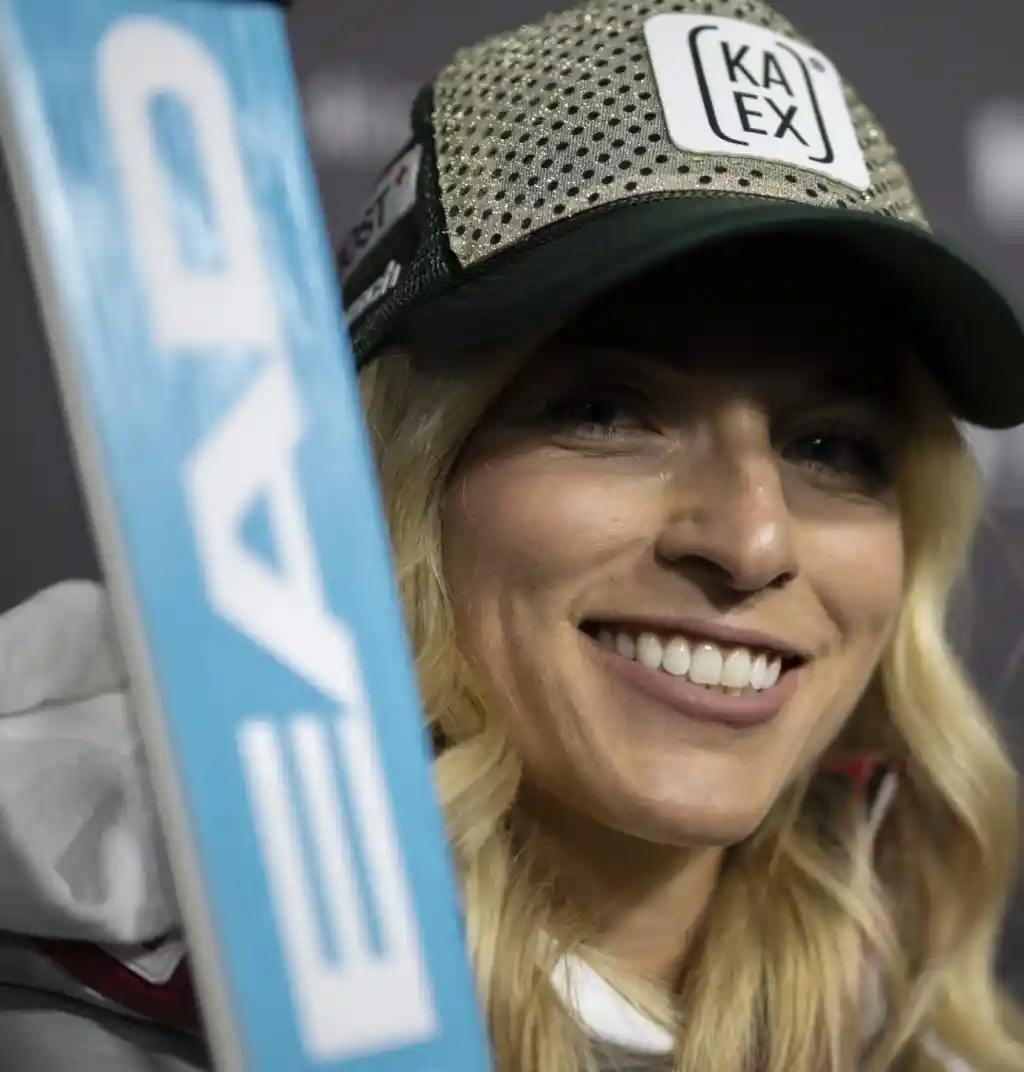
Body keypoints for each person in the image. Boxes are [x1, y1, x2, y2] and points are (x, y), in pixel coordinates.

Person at [2, 0, 1024, 1069]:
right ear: (399, 474)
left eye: (831, 446)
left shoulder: (904, 1034)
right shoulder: (80, 1030)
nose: (753, 539)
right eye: (606, 410)